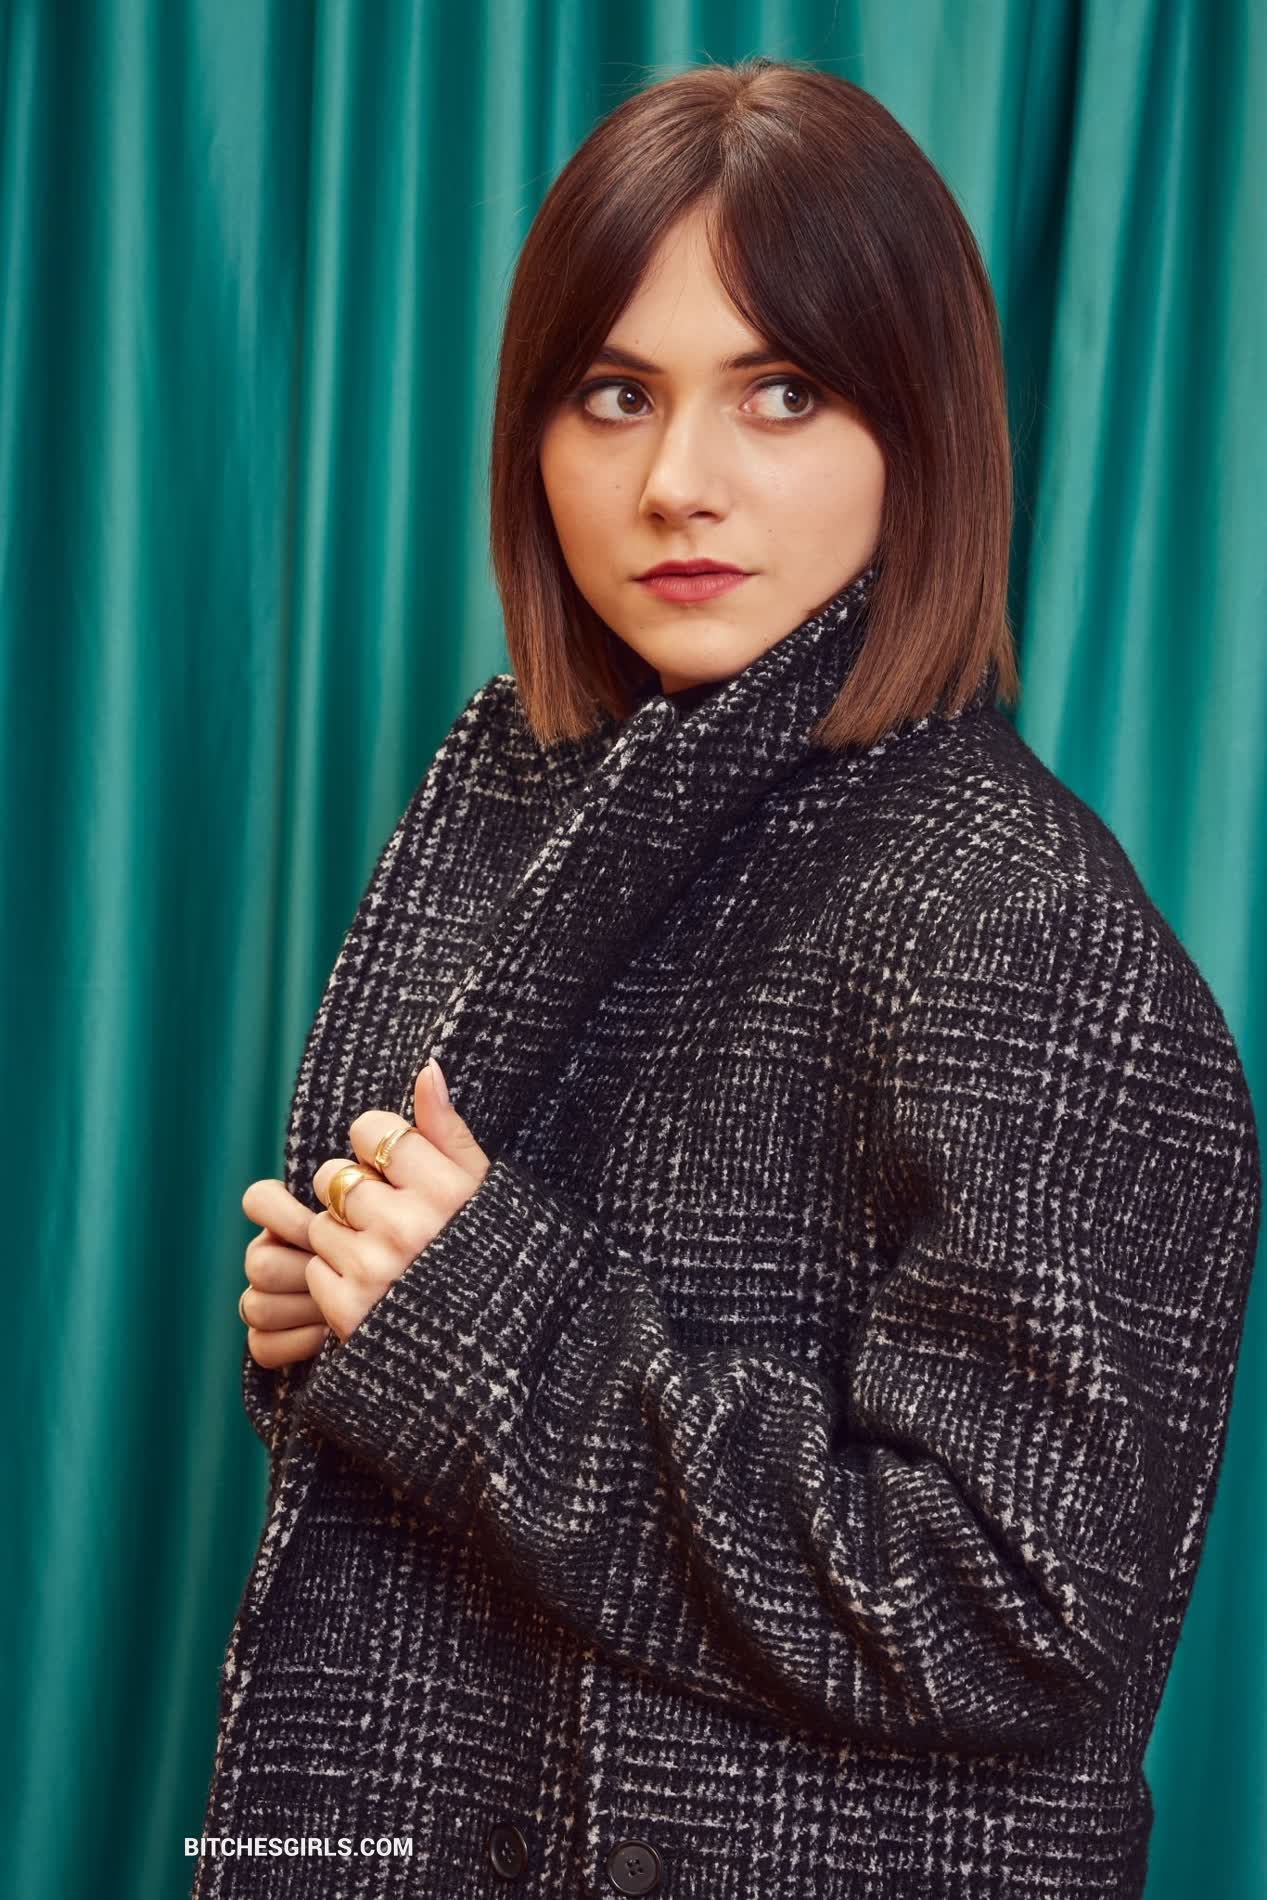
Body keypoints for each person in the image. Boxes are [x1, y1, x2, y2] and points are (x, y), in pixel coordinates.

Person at [194, 56, 1261, 1900]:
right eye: (615, 394)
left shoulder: (1016, 921)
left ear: (919, 429)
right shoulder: (530, 800)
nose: (678, 482)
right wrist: (343, 1310)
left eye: (783, 392)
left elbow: (1020, 1607)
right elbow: (448, 1366)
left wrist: (469, 1328)